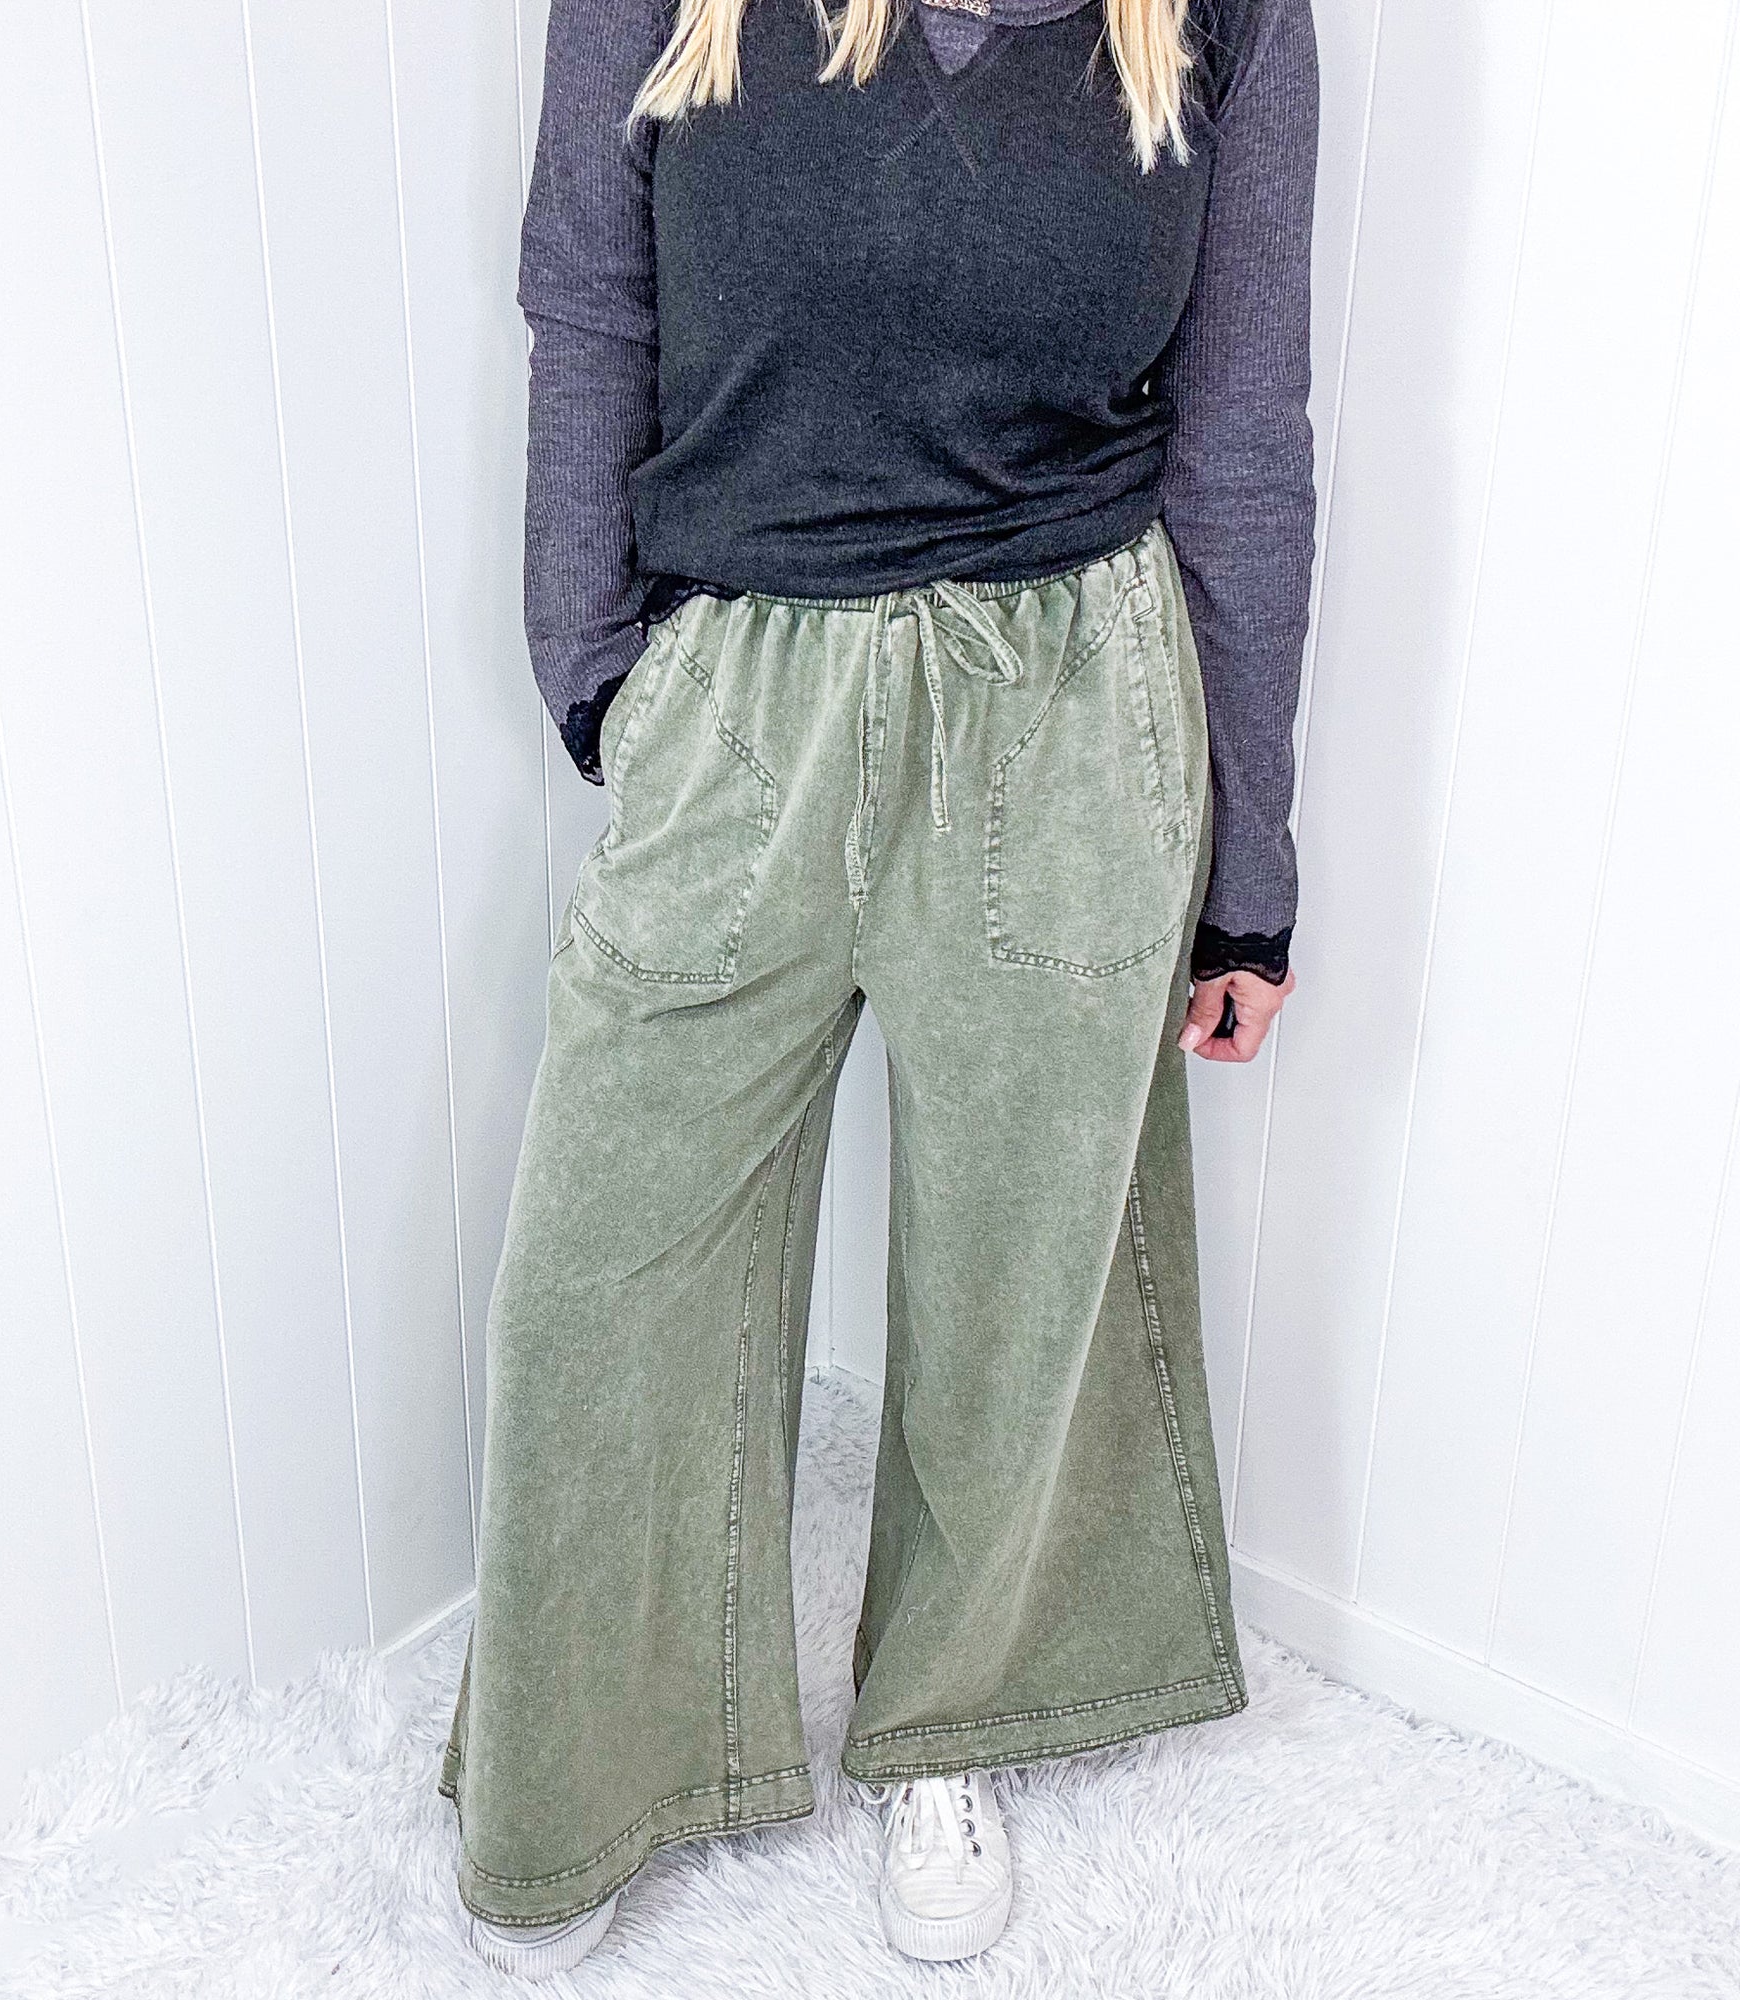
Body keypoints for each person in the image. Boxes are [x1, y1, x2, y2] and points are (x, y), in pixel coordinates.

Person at [441, 0, 1318, 1974]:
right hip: (741, 689)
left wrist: (1246, 876)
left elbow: (1244, 435)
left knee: (1021, 1276)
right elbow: (585, 297)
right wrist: (600, 680)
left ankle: (953, 1718)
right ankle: (589, 1763)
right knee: (606, 1272)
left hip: (1073, 704)